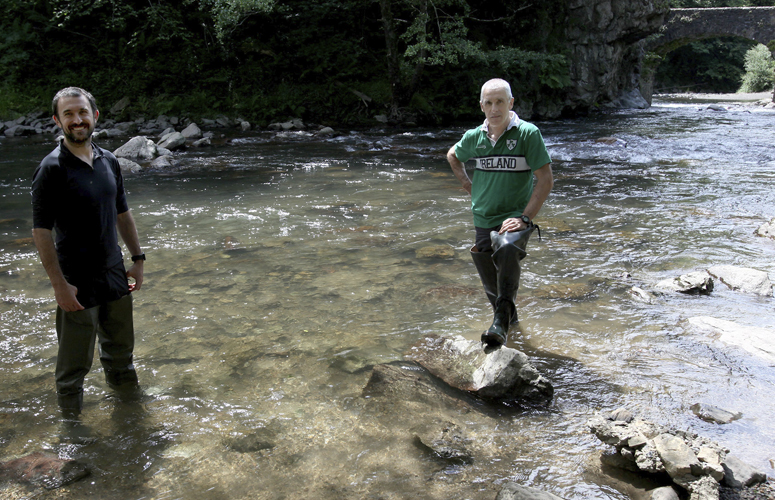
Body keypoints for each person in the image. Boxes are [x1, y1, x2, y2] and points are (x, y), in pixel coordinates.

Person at [31, 87, 146, 415]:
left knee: (121, 357)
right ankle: (73, 433)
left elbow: (123, 213)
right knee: (72, 370)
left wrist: (137, 260)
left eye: (82, 112)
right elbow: (40, 231)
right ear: (57, 121)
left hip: (114, 275)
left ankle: (132, 417)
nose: (77, 119)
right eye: (68, 114)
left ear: (94, 116)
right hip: (76, 281)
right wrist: (58, 285)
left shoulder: (109, 160)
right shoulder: (51, 168)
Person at [447, 78, 553, 347]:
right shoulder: (475, 137)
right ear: (482, 106)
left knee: (506, 249)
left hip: (515, 217)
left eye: (500, 102)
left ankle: (500, 323)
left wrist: (525, 218)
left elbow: (546, 179)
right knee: (493, 284)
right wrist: (467, 184)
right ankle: (512, 329)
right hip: (483, 217)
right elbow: (453, 156)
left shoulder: (528, 134)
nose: (495, 108)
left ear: (511, 103)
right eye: (489, 103)